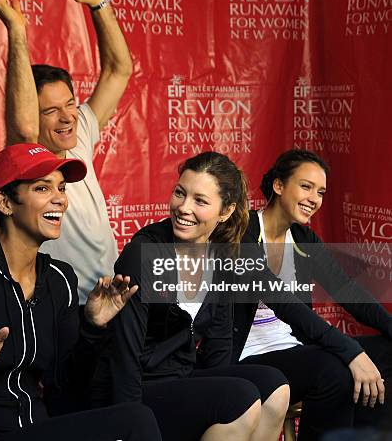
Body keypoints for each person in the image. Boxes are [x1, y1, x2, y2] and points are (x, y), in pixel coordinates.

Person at [0, 143, 162, 441]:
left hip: (37, 427)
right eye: (42, 188)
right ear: (5, 203)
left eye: (61, 189)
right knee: (135, 420)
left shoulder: (60, 278)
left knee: (136, 419)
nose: (60, 200)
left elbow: (66, 385)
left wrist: (92, 328)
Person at [92, 151, 292, 441]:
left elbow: (220, 346)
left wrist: (217, 392)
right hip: (135, 389)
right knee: (239, 399)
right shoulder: (145, 252)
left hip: (181, 380)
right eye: (180, 193)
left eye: (200, 201)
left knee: (275, 387)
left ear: (225, 211)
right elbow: (124, 355)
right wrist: (129, 424)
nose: (183, 208)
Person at [0, 0, 132, 302]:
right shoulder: (23, 156)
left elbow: (119, 70)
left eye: (69, 104)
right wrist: (17, 31)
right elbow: (25, 125)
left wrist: (100, 4)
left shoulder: (80, 131)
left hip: (108, 299)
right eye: (51, 111)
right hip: (65, 306)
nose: (67, 117)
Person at [234, 149, 392, 437]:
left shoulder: (304, 239)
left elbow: (346, 288)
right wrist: (350, 350)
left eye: (320, 192)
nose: (314, 199)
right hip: (250, 356)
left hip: (294, 348)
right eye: (305, 186)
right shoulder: (242, 233)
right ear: (279, 186)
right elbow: (285, 303)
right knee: (335, 370)